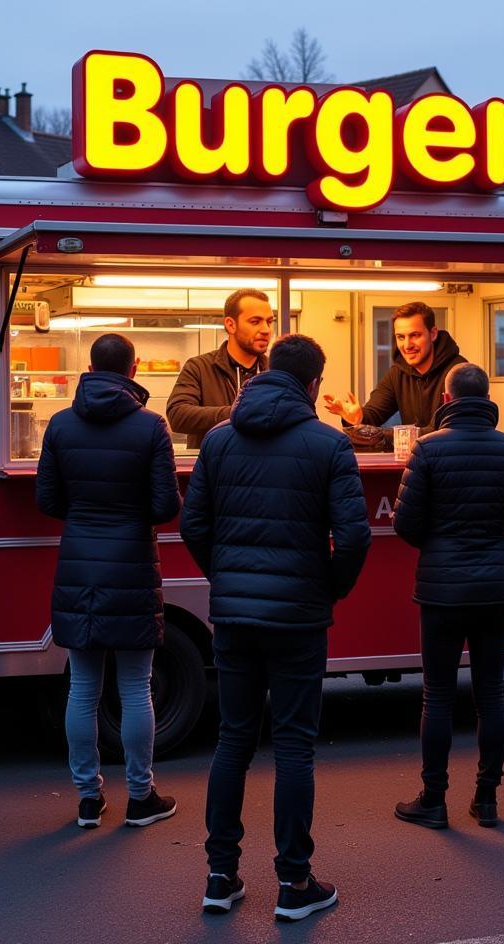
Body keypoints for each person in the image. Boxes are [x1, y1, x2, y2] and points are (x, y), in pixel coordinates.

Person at [181, 334, 370, 922]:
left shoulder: (218, 440)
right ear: (314, 383)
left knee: (233, 739)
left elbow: (193, 524)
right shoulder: (328, 443)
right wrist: (329, 586)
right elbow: (356, 535)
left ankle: (220, 876)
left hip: (235, 617)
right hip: (299, 618)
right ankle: (294, 883)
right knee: (293, 745)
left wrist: (225, 575)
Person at [37, 333, 181, 830]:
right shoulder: (149, 427)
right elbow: (166, 506)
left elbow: (47, 500)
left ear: (90, 367)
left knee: (82, 688)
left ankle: (87, 798)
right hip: (132, 565)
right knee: (136, 686)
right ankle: (141, 796)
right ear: (134, 368)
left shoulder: (59, 424)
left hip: (78, 564)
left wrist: (86, 516)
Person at [391, 363, 504, 831]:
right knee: (491, 694)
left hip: (441, 589)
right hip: (496, 586)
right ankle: (487, 799)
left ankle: (433, 799)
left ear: (447, 401)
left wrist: (440, 544)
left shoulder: (427, 449)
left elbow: (405, 524)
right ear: (487, 398)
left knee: (437, 696)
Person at [322, 301, 466, 444]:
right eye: (400, 337)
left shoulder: (459, 372)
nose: (407, 345)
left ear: (433, 334)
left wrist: (385, 435)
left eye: (415, 335)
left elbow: (445, 431)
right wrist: (356, 419)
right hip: (418, 461)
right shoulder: (397, 373)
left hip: (452, 461)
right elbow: (373, 415)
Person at [165, 287, 275, 449]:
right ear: (231, 325)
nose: (266, 329)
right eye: (255, 321)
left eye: (269, 321)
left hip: (261, 468)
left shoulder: (275, 372)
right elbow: (178, 416)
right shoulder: (199, 367)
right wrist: (237, 413)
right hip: (214, 469)